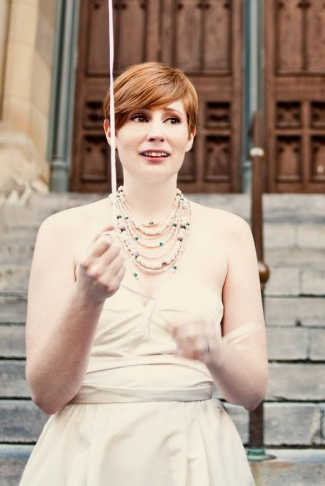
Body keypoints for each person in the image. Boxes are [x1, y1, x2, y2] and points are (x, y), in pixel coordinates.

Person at [20, 62, 268, 486]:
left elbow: (251, 393)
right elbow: (46, 394)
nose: (156, 132)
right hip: (88, 451)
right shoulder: (60, 231)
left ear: (190, 136)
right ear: (110, 131)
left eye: (172, 119)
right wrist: (87, 297)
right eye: (139, 117)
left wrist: (215, 351)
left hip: (195, 453)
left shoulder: (231, 233)